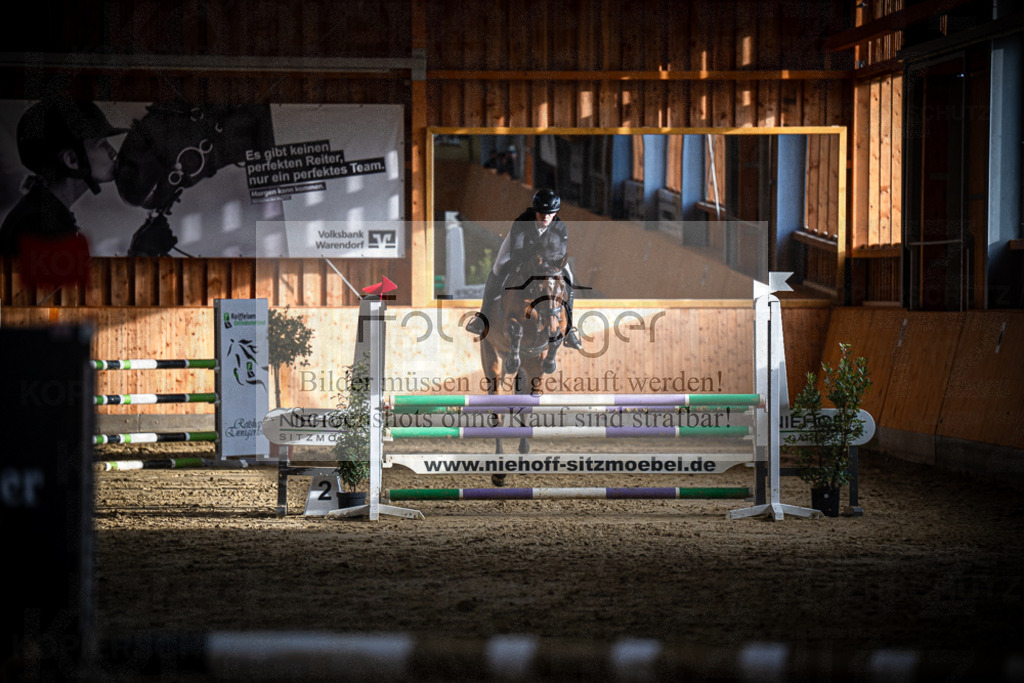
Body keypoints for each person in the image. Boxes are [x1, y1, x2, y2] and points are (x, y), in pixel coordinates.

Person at [0, 97, 176, 258]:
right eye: (101, 144)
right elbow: (74, 293)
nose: (112, 152)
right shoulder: (39, 226)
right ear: (72, 160)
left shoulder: (46, 215)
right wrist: (141, 254)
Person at [465, 188, 582, 349]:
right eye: (541, 213)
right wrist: (534, 261)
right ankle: (482, 317)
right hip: (520, 252)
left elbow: (557, 255)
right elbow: (517, 253)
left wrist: (544, 264)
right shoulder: (522, 222)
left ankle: (569, 330)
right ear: (535, 211)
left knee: (568, 275)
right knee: (498, 267)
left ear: (555, 213)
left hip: (548, 258)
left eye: (550, 213)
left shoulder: (560, 228)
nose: (546, 217)